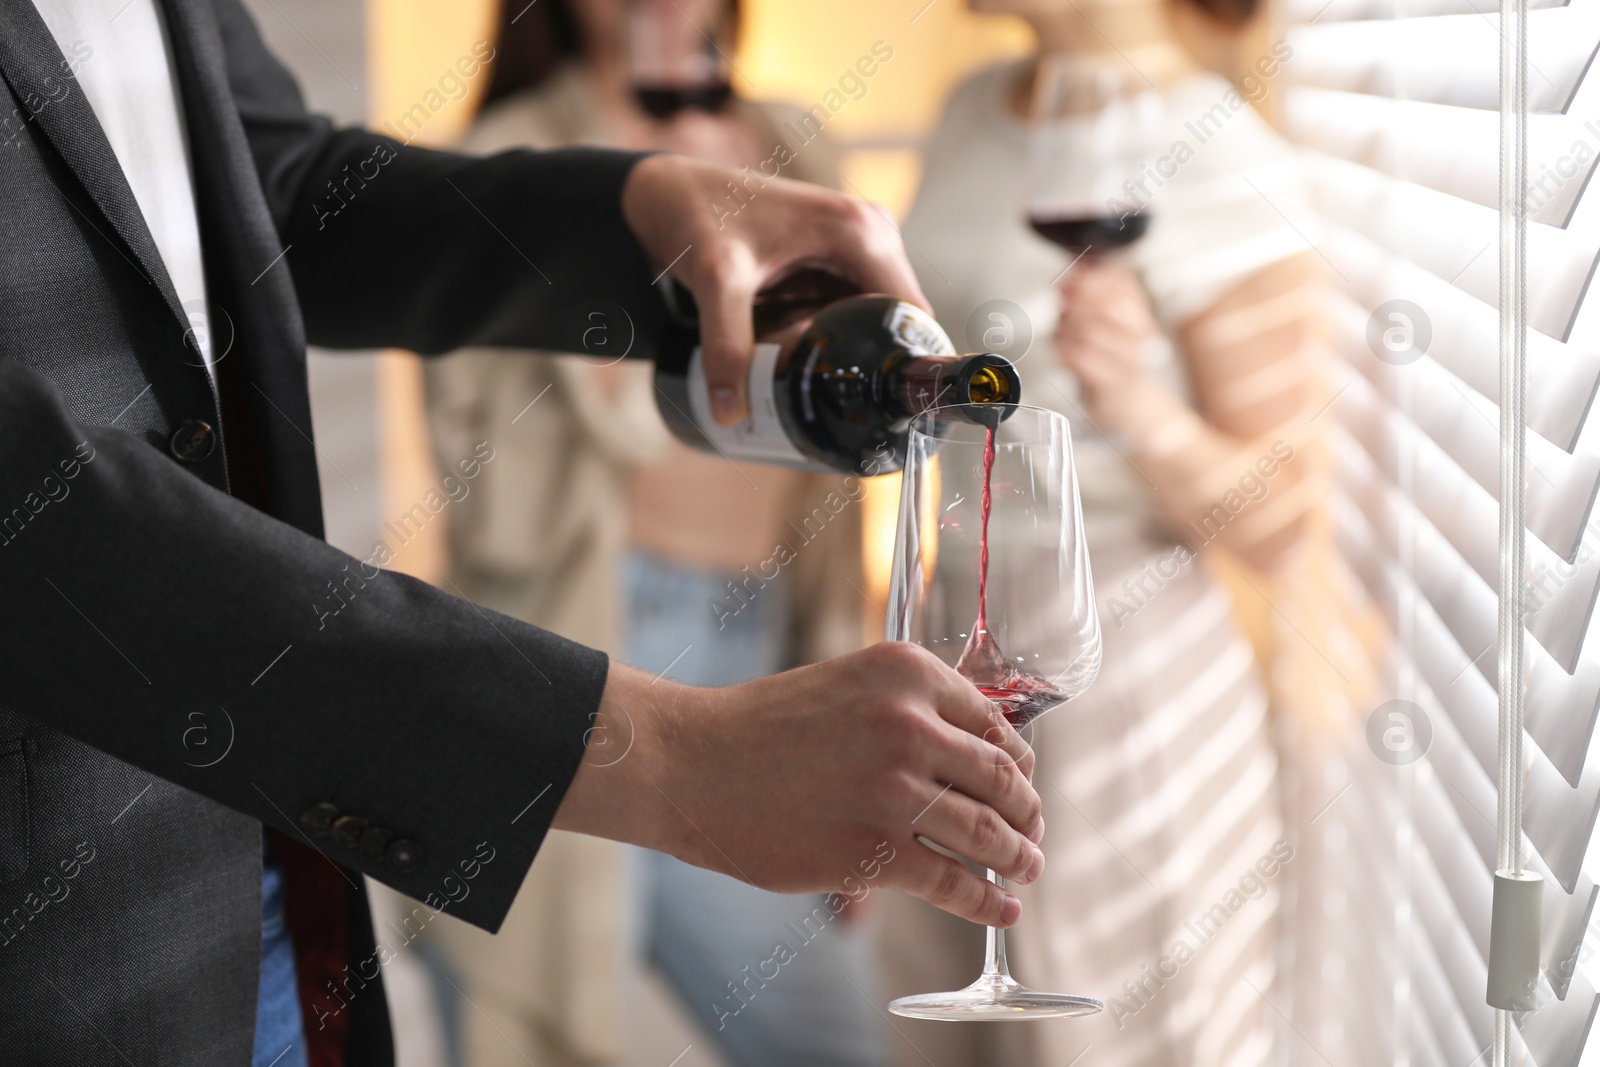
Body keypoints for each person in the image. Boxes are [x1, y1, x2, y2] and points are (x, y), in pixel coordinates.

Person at [0, 1, 1049, 1064]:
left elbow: (280, 188)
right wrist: (670, 760)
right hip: (61, 927)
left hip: (277, 860)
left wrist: (635, 209)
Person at [405, 2, 887, 1065]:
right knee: (526, 1019)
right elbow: (486, 498)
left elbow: (837, 487)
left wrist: (852, 689)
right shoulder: (507, 160)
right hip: (575, 649)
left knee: (835, 1043)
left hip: (757, 644)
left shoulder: (796, 145)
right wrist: (608, 330)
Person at [876, 0, 1325, 1064]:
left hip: (1122, 680)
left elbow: (1283, 518)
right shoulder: (970, 109)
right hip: (955, 644)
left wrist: (1135, 399)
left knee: (1100, 1038)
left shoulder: (1217, 154)